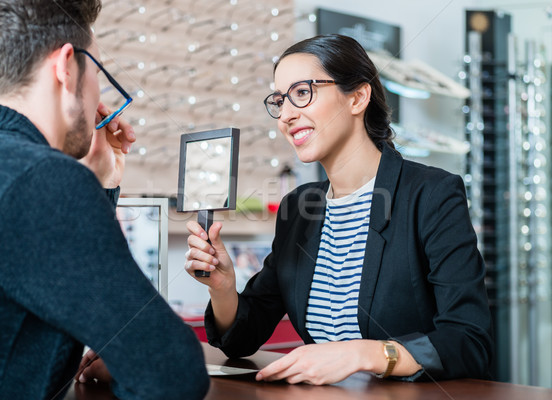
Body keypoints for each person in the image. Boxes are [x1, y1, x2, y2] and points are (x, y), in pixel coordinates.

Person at [184, 34, 493, 384]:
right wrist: (223, 288)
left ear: (358, 97)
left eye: (302, 93)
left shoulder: (430, 193)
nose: (285, 115)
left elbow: (469, 341)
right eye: (279, 100)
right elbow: (242, 338)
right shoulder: (299, 208)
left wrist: (365, 353)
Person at [0, 1, 209, 399]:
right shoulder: (42, 180)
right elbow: (173, 374)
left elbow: (55, 283)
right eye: (99, 72)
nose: (98, 94)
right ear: (67, 67)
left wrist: (98, 182)